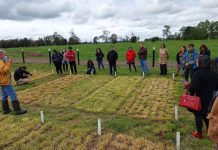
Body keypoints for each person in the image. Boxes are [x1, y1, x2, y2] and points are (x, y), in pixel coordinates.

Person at [188, 55, 218, 139]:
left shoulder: (198, 73)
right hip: (212, 98)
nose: (196, 62)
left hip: (200, 98)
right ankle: (210, 131)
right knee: (207, 114)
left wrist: (190, 93)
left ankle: (199, 133)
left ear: (200, 63)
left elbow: (193, 87)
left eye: (197, 61)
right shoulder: (214, 72)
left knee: (198, 114)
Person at [0, 49, 27, 115]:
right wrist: (8, 63)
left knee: (4, 95)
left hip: (2, 82)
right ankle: (17, 110)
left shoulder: (2, 61)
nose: (5, 56)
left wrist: (7, 63)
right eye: (4, 55)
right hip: (5, 82)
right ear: (0, 55)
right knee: (13, 94)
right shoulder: (0, 62)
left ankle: (6, 110)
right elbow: (4, 71)